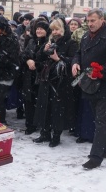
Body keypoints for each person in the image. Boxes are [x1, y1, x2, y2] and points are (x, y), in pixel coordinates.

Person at [72, 8, 106, 169]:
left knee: (101, 121)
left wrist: (100, 71)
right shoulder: (86, 35)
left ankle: (96, 156)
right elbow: (79, 53)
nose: (90, 23)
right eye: (88, 21)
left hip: (105, 85)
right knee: (100, 119)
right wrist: (75, 62)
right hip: (89, 84)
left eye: (93, 20)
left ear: (102, 20)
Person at [33, 19, 77, 147]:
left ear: (63, 29)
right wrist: (43, 51)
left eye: (57, 29)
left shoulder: (71, 43)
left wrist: (58, 58)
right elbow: (38, 57)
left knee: (58, 109)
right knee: (44, 106)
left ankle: (56, 136)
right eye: (53, 30)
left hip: (61, 82)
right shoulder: (50, 41)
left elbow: (73, 61)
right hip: (47, 79)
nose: (55, 32)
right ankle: (45, 133)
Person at [21, 21, 50, 135]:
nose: (39, 31)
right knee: (29, 101)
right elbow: (24, 54)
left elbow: (46, 59)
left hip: (42, 75)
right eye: (37, 28)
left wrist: (36, 64)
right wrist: (28, 60)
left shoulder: (48, 42)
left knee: (41, 101)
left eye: (42, 29)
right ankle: (30, 124)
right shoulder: (31, 41)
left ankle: (41, 124)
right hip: (29, 75)